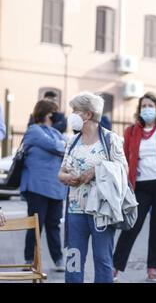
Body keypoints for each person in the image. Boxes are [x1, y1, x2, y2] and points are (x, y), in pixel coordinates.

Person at [113, 92, 156, 282]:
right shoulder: (131, 132)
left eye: (150, 105)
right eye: (143, 106)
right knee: (131, 227)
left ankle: (153, 268)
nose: (146, 109)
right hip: (140, 186)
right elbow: (125, 158)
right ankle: (115, 267)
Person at [59, 92, 128, 283]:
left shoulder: (110, 139)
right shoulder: (72, 142)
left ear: (87, 114)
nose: (71, 115)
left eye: (75, 111)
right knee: (74, 259)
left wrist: (96, 171)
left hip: (102, 210)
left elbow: (124, 170)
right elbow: (61, 172)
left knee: (103, 260)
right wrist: (69, 178)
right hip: (75, 209)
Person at [20, 100, 68, 272]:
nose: (57, 115)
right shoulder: (34, 130)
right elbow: (56, 146)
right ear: (47, 113)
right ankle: (29, 259)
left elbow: (67, 148)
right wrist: (62, 145)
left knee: (54, 225)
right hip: (37, 187)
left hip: (56, 188)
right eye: (54, 112)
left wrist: (63, 145)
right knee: (35, 224)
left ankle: (58, 259)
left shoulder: (56, 132)